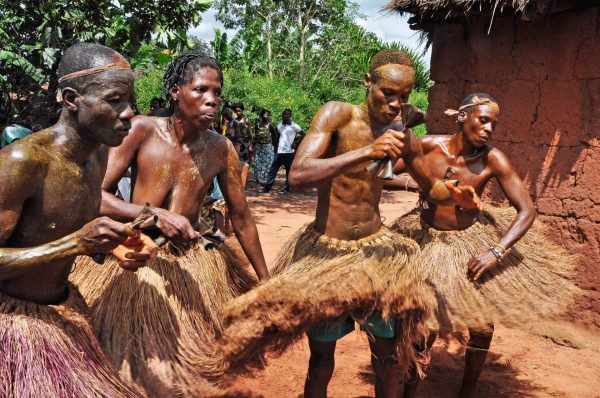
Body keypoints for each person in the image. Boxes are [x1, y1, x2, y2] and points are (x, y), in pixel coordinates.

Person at [207, 49, 480, 396]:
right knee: (321, 358)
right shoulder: (338, 115)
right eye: (388, 93)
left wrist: (456, 195)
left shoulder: (405, 138)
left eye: (404, 97)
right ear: (368, 82)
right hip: (328, 255)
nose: (396, 104)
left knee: (389, 357)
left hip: (377, 257)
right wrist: (368, 151)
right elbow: (299, 173)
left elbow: (433, 187)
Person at [70, 52, 270, 397]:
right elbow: (96, 195)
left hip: (194, 258)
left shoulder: (221, 148)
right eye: (201, 90)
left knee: (194, 361)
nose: (212, 100)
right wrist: (156, 215)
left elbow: (243, 218)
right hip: (138, 254)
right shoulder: (143, 130)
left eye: (217, 92)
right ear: (176, 91)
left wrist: (266, 282)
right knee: (130, 364)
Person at [387, 93, 579, 398]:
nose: (489, 128)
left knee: (481, 324)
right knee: (425, 323)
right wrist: (423, 185)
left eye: (494, 123)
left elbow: (527, 209)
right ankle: (411, 388)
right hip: (427, 239)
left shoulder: (492, 158)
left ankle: (468, 390)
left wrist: (496, 251)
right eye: (483, 119)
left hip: (469, 241)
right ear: (463, 117)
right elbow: (387, 176)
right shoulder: (427, 145)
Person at [0, 42, 157, 397]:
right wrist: (74, 244)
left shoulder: (99, 155)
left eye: (129, 100)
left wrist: (116, 246)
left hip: (63, 311)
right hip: (13, 326)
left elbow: (65, 220)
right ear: (72, 99)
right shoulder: (22, 162)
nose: (129, 113)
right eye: (115, 100)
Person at [263, 108, 304, 192]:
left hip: (289, 152)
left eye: (286, 114)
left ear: (290, 115)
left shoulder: (294, 126)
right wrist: (275, 145)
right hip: (279, 151)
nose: (284, 116)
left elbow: (304, 134)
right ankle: (267, 187)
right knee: (273, 169)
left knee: (289, 171)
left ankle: (288, 187)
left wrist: (296, 143)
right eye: (283, 114)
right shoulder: (279, 125)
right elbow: (277, 137)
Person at [253, 108, 278, 185]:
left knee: (267, 163)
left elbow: (275, 135)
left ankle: (266, 179)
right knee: (258, 163)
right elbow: (256, 135)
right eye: (265, 114)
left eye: (267, 115)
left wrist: (272, 144)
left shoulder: (270, 126)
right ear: (261, 115)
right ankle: (258, 179)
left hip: (267, 147)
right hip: (259, 147)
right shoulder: (257, 125)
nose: (266, 116)